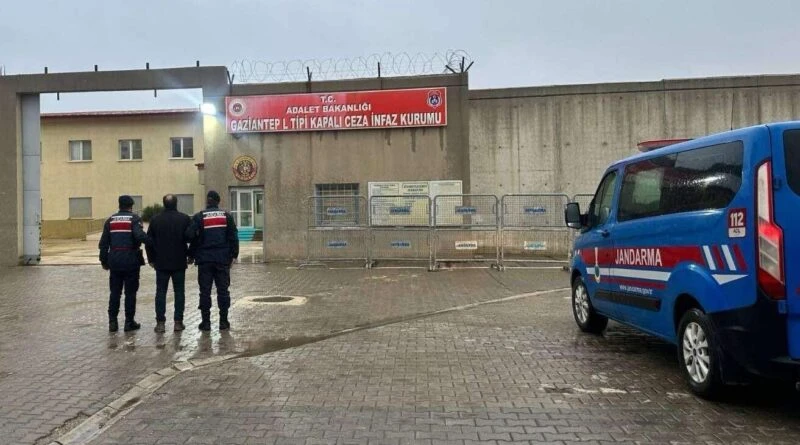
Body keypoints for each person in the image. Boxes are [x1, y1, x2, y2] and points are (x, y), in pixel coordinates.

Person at [186, 190, 239, 331]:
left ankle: (206, 323)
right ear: (218, 201)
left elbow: (190, 237)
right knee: (223, 291)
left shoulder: (199, 217)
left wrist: (191, 254)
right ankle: (223, 321)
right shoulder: (226, 216)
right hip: (222, 259)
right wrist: (234, 255)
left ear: (207, 201)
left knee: (205, 292)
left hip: (204, 260)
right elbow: (233, 237)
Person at [99, 195, 148, 332]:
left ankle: (113, 323)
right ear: (131, 206)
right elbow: (139, 236)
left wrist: (103, 260)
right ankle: (129, 322)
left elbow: (103, 243)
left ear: (119, 205)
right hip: (131, 260)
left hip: (114, 260)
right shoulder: (134, 219)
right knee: (130, 293)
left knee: (115, 292)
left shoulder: (110, 220)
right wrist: (152, 242)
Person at [145, 194, 192, 333]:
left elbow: (149, 242)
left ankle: (160, 323)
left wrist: (151, 259)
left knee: (160, 293)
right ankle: (178, 322)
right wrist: (190, 255)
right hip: (179, 262)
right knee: (179, 292)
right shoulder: (184, 219)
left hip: (161, 263)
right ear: (176, 204)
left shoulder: (155, 219)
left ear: (164, 204)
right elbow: (191, 237)